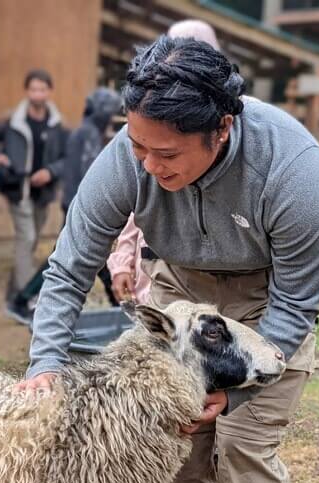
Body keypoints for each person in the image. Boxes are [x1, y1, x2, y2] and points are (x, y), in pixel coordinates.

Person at [16, 36, 319, 483]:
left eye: (167, 153)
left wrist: (234, 390)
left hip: (262, 304)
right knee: (176, 442)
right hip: (180, 295)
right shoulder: (128, 158)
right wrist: (44, 365)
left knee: (242, 443)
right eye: (138, 147)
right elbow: (69, 266)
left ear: (222, 128)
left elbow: (300, 297)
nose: (149, 165)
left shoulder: (292, 166)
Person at [108, 18, 223, 309]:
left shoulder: (218, 127)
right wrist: (122, 260)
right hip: (156, 262)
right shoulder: (148, 132)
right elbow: (137, 205)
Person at [5, 86, 121, 324]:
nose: (111, 118)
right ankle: (22, 300)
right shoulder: (88, 135)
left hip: (74, 204)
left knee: (83, 258)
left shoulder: (83, 132)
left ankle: (118, 306)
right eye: (110, 112)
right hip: (82, 208)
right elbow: (91, 174)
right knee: (81, 258)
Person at [0, 69, 68, 299]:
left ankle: (14, 292)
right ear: (27, 91)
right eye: (33, 89)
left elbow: (66, 158)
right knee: (27, 238)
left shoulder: (57, 125)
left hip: (43, 193)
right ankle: (25, 298)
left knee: (30, 242)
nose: (37, 94)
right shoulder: (12, 121)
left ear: (49, 92)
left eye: (42, 89)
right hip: (18, 189)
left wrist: (50, 172)